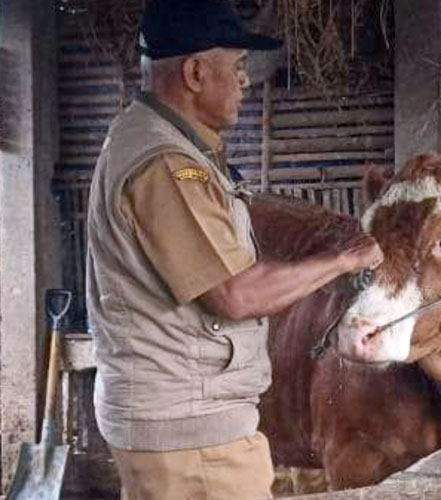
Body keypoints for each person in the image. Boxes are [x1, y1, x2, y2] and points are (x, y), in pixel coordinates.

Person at [85, 1, 383, 499]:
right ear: (196, 72)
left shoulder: (154, 141)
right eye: (239, 68)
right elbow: (234, 295)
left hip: (178, 423)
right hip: (189, 435)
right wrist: (344, 259)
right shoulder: (165, 166)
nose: (246, 82)